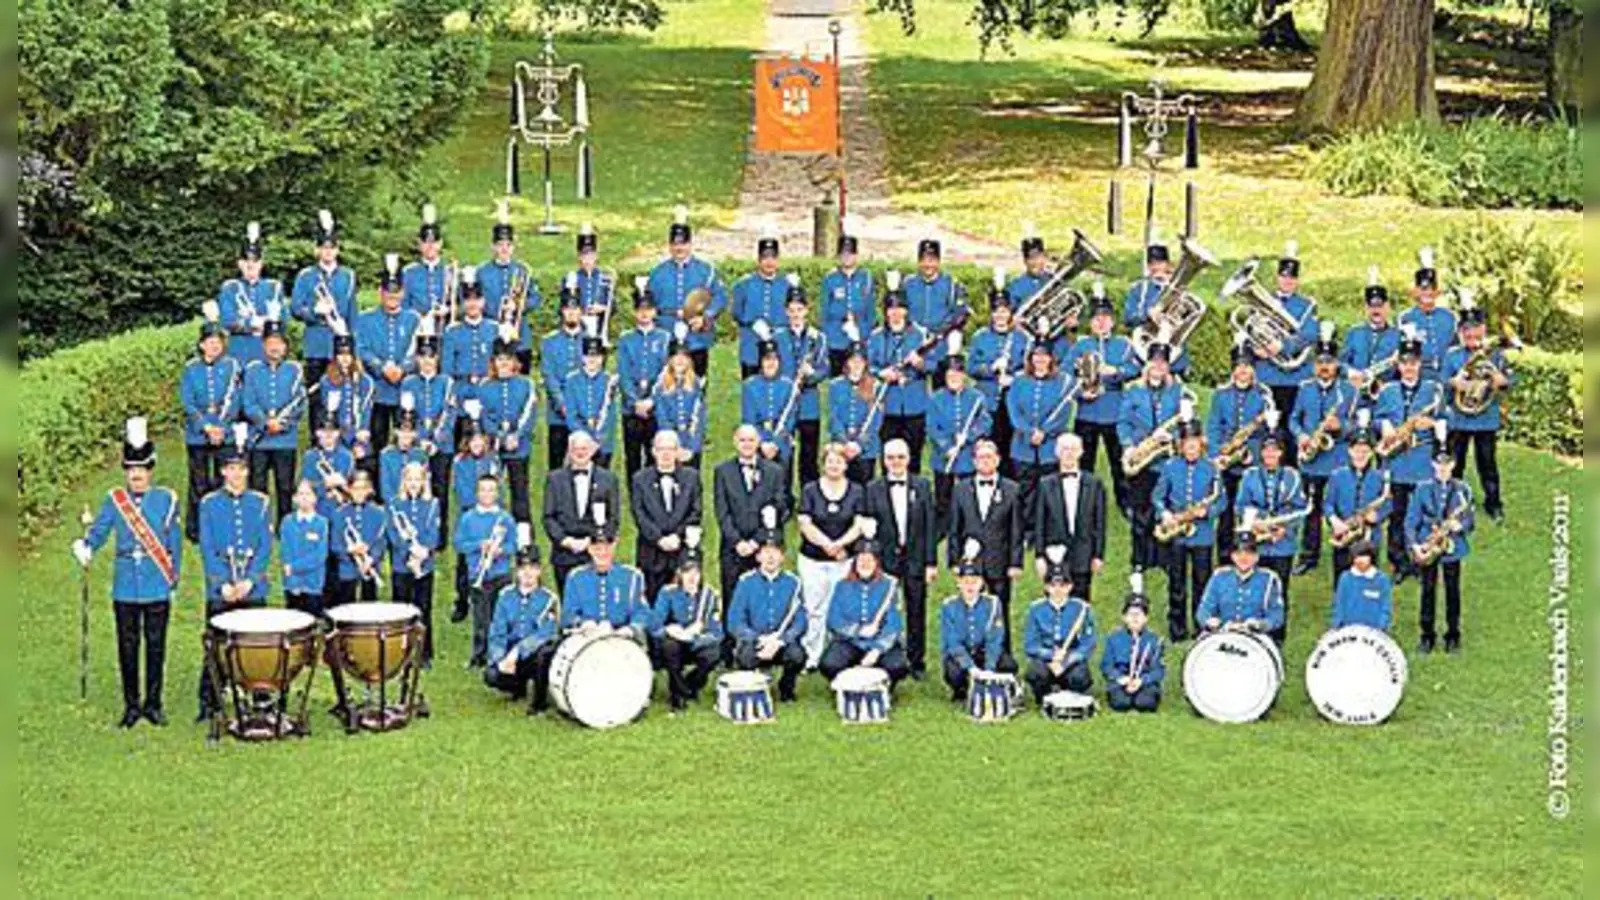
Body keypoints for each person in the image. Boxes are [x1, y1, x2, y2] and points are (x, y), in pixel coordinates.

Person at [73, 418, 183, 728]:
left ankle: (154, 703)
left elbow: (174, 544)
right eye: (132, 470)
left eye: (142, 469)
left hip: (157, 582)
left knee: (156, 645)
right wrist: (86, 546)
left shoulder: (167, 499)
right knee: (127, 646)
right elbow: (100, 531)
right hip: (125, 586)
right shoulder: (114, 500)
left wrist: (173, 578)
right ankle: (131, 705)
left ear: (151, 471)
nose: (136, 475)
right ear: (126, 471)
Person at [197, 426, 273, 720]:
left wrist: (250, 580)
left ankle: (260, 696)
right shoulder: (209, 504)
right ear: (223, 472)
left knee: (257, 645)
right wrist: (224, 584)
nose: (237, 474)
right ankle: (211, 699)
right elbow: (207, 547)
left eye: (241, 468)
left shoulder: (261, 503)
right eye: (231, 468)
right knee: (216, 645)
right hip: (222, 587)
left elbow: (265, 547)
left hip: (252, 587)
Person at [1374, 327, 1445, 583]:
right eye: (1404, 363)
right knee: (1396, 513)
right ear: (1399, 365)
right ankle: (1399, 561)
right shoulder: (1387, 390)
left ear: (1419, 364)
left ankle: (1420, 557)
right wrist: (1386, 427)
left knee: (1421, 514)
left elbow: (1446, 420)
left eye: (1413, 363)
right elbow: (1376, 418)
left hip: (1422, 462)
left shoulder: (1432, 390)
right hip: (1396, 461)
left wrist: (1434, 425)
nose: (1409, 368)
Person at [864, 439, 938, 676]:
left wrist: (931, 562)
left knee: (916, 609)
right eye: (890, 458)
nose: (896, 462)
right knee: (885, 608)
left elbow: (930, 527)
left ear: (908, 459)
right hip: (885, 559)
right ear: (883, 461)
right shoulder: (873, 488)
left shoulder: (923, 485)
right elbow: (869, 529)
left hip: (915, 558)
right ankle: (887, 655)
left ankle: (917, 661)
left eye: (900, 457)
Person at [1233, 414, 1308, 644]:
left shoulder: (1292, 476)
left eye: (1275, 450)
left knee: (1279, 589)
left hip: (1283, 543)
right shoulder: (1250, 475)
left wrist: (1284, 528)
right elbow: (1241, 504)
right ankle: (1252, 631)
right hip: (1257, 541)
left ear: (1282, 452)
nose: (1270, 455)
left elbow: (1300, 507)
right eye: (1266, 450)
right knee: (1255, 587)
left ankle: (1277, 635)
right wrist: (1259, 522)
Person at [1117, 341, 1187, 581]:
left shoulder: (1178, 391)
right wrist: (1128, 446)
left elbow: (1186, 423)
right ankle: (1139, 559)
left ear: (1168, 366)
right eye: (1154, 361)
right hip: (1143, 458)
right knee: (1141, 511)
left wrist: (1173, 437)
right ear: (1147, 364)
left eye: (1163, 362)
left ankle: (1162, 558)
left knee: (1165, 508)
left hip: (1166, 460)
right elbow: (1123, 422)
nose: (1158, 366)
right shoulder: (1133, 389)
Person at [1290, 323, 1357, 575]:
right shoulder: (1305, 388)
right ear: (1314, 364)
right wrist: (1302, 436)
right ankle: (1309, 555)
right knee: (1311, 510)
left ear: (1337, 363)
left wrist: (1341, 425)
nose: (1325, 366)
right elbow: (1294, 419)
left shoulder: (1349, 391)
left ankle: (1348, 549)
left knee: (1343, 508)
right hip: (1312, 459)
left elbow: (1361, 425)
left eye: (1329, 361)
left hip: (1338, 459)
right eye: (1320, 361)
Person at [1065, 286, 1138, 512]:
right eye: (1096, 319)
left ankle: (1124, 502)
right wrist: (1079, 393)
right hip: (1087, 412)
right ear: (1090, 323)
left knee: (1119, 462)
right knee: (1084, 461)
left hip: (1114, 413)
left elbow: (1135, 368)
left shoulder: (1124, 345)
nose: (1101, 323)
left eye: (1105, 318)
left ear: (1113, 322)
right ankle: (1083, 502)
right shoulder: (1081, 345)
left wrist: (1115, 371)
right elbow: (1065, 375)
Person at [1405, 423, 1476, 655]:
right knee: (1427, 590)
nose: (1443, 469)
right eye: (1439, 465)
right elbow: (1410, 521)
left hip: (1453, 548)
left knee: (1453, 591)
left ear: (1453, 465)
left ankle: (1453, 634)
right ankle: (1427, 635)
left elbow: (1470, 522)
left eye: (1447, 465)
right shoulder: (1422, 489)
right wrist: (1416, 545)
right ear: (1433, 465)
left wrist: (1459, 525)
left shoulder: (1463, 489)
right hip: (1428, 544)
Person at [1152, 411, 1223, 642]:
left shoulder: (1212, 468)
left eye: (1194, 443)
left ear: (1201, 443)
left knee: (1203, 581)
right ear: (1180, 445)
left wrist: (1207, 511)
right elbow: (1158, 497)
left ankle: (1201, 626)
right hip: (1178, 534)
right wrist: (1165, 514)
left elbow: (1221, 500)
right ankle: (1177, 628)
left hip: (1202, 534)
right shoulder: (1170, 466)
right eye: (1186, 444)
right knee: (1177, 582)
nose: (1190, 448)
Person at [947, 440, 1024, 652]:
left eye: (990, 457)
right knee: (969, 609)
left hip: (999, 560)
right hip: (970, 562)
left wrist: (1015, 562)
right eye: (981, 457)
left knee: (1000, 609)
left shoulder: (1012, 489)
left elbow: (1016, 529)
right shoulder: (961, 489)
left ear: (998, 460)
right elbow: (954, 526)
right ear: (973, 461)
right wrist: (955, 559)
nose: (985, 461)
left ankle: (1003, 655)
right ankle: (973, 652)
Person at [1247, 241, 1320, 464]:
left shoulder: (1306, 305)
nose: (1287, 281)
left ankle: (1290, 477)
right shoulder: (1262, 302)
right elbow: (1250, 328)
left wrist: (1284, 347)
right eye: (1284, 276)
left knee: (1291, 431)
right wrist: (1256, 347)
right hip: (1267, 376)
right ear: (1277, 277)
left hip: (1294, 378)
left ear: (1296, 280)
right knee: (1266, 430)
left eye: (1292, 278)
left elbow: (1310, 335)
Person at [1442, 294, 1513, 523]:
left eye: (1476, 333)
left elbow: (1508, 381)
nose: (1473, 338)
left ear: (1483, 330)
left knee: (1487, 464)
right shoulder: (1452, 355)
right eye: (1468, 334)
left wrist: (1501, 380)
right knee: (1456, 464)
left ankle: (1493, 503)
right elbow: (1443, 381)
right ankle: (1452, 503)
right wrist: (1456, 383)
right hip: (1459, 419)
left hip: (1486, 418)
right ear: (1461, 333)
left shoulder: (1495, 355)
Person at [796, 444, 867, 668]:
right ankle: (812, 654)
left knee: (840, 608)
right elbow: (804, 523)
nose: (834, 465)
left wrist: (841, 544)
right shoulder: (810, 490)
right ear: (823, 464)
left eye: (839, 461)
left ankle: (837, 654)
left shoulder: (856, 491)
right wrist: (827, 544)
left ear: (846, 465)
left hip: (843, 559)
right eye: (830, 461)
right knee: (814, 607)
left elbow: (859, 524)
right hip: (812, 560)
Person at [289, 209, 358, 429]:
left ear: (337, 250)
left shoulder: (348, 276)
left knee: (343, 395)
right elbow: (294, 308)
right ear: (317, 250)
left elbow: (352, 311)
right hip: (316, 346)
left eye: (331, 247)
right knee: (317, 397)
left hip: (341, 345)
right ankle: (317, 440)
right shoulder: (306, 276)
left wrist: (351, 339)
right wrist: (315, 312)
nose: (327, 252)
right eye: (323, 247)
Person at [1205, 338, 1272, 554]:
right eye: (1239, 367)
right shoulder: (1221, 394)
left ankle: (1251, 550)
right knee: (1225, 510)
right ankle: (1225, 554)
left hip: (1251, 462)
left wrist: (1252, 453)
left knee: (1252, 509)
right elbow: (1213, 427)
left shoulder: (1264, 395)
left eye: (1247, 366)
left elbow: (1268, 435)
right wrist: (1218, 455)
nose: (1243, 371)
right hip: (1226, 462)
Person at [180, 312, 242, 542]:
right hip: (198, 434)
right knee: (198, 482)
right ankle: (196, 529)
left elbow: (235, 400)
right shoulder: (191, 368)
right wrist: (206, 427)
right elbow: (188, 402)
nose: (215, 346)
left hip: (224, 433)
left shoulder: (231, 367)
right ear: (202, 344)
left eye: (218, 342)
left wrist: (221, 428)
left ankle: (221, 529)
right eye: (210, 342)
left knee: (222, 481)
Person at [867, 274, 938, 474]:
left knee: (913, 456)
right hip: (887, 404)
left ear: (906, 310)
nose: (895, 313)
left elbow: (934, 366)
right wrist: (882, 373)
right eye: (891, 308)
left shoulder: (921, 335)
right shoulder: (876, 337)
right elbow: (867, 367)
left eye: (899, 308)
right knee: (888, 455)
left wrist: (920, 363)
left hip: (915, 404)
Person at [646, 205, 727, 377]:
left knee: (697, 384)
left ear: (690, 244)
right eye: (675, 244)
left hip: (696, 339)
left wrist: (706, 317)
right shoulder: (657, 273)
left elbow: (720, 297)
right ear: (669, 245)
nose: (679, 248)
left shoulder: (706, 271)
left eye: (683, 243)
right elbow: (648, 304)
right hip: (666, 336)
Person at [1006, 341, 1076, 541]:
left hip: (1050, 446)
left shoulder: (1062, 382)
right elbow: (1013, 411)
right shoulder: (1019, 381)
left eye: (1044, 356)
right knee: (1025, 489)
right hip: (1022, 446)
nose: (1040, 360)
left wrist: (1045, 432)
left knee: (1049, 490)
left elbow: (1064, 414)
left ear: (1051, 359)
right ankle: (1027, 531)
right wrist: (1029, 432)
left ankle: (1048, 530)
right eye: (1036, 355)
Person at [713, 426, 790, 606]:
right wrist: (738, 542)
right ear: (735, 442)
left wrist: (756, 541)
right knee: (732, 595)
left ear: (758, 442)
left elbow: (779, 508)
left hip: (764, 546)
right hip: (733, 547)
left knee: (763, 598)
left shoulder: (775, 471)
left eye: (751, 440)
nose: (747, 444)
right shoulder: (722, 471)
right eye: (742, 440)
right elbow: (722, 511)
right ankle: (731, 634)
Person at [820, 538, 912, 688]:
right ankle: (846, 686)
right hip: (849, 642)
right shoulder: (842, 586)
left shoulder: (889, 586)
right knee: (829, 664)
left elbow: (894, 624)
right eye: (861, 560)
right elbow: (834, 620)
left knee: (897, 666)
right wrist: (859, 631)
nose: (865, 564)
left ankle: (885, 687)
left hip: (880, 641)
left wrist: (878, 649)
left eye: (870, 560)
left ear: (877, 563)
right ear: (854, 563)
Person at [485, 527, 558, 714]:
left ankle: (539, 702)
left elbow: (545, 634)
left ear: (539, 571)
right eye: (523, 568)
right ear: (516, 570)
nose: (527, 573)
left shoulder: (549, 599)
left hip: (533, 655)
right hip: (510, 654)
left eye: (532, 568)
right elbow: (497, 631)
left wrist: (518, 653)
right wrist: (500, 658)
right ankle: (516, 686)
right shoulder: (505, 596)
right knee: (492, 675)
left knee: (545, 654)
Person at [727, 530, 806, 702]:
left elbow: (800, 621)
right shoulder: (745, 582)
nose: (771, 558)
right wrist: (758, 639)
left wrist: (781, 640)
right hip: (756, 641)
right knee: (745, 657)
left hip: (781, 641)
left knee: (797, 656)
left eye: (775, 553)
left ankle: (787, 688)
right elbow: (734, 621)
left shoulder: (794, 583)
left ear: (782, 557)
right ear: (758, 557)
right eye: (766, 553)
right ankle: (754, 688)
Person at [543, 430, 623, 597]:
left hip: (596, 552)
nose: (580, 453)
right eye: (575, 449)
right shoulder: (554, 479)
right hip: (564, 554)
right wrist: (565, 540)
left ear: (593, 450)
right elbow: (548, 517)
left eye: (584, 449)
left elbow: (613, 518)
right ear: (569, 451)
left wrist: (591, 541)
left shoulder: (608, 479)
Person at [242, 316, 305, 524]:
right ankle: (260, 524)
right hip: (259, 439)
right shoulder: (252, 370)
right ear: (263, 345)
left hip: (285, 439)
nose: (274, 348)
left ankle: (284, 525)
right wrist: (264, 422)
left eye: (279, 343)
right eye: (270, 343)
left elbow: (299, 403)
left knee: (285, 485)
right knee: (257, 484)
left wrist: (282, 424)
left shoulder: (294, 370)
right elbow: (248, 402)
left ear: (286, 346)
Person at [358, 254, 422, 455]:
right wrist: (380, 367)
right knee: (377, 441)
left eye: (396, 293)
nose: (391, 297)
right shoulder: (366, 319)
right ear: (380, 292)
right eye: (387, 293)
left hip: (405, 389)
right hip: (378, 389)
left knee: (407, 441)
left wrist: (403, 368)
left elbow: (421, 350)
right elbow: (361, 348)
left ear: (403, 293)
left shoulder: (414, 319)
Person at [630, 430, 703, 604]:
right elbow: (639, 514)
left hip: (682, 551)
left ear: (678, 451)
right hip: (651, 552)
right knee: (653, 603)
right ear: (653, 451)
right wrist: (659, 539)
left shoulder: (691, 477)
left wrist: (678, 536)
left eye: (670, 449)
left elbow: (696, 511)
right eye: (661, 449)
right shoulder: (640, 479)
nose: (666, 454)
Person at [1032, 434, 1107, 601]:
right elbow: (1039, 523)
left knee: (1082, 602)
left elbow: (1100, 523)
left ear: (1081, 452)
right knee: (1053, 603)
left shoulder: (1094, 484)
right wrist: (1039, 555)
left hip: (1083, 553)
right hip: (1054, 555)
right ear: (1057, 452)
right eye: (1064, 449)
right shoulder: (1045, 484)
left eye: (1073, 449)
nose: (1069, 453)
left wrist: (1098, 555)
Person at [927, 338, 992, 532]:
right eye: (950, 375)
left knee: (968, 494)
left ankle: (968, 527)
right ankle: (942, 528)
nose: (954, 378)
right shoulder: (936, 398)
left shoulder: (977, 397)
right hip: (943, 456)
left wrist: (970, 435)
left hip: (967, 456)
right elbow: (932, 427)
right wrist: (946, 447)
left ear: (964, 375)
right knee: (943, 496)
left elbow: (986, 422)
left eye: (957, 374)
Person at [454, 473, 517, 668]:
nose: (487, 494)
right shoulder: (468, 518)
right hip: (478, 574)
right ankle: (478, 656)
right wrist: (479, 545)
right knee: (481, 619)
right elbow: (459, 544)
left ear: (497, 493)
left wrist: (501, 550)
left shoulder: (505, 518)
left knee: (501, 617)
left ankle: (500, 654)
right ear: (477, 493)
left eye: (491, 490)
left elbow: (514, 544)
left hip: (501, 574)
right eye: (483, 490)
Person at [650, 544, 723, 712]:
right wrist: (670, 631)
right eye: (687, 572)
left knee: (713, 654)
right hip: (674, 643)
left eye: (696, 573)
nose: (691, 578)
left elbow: (716, 633)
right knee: (670, 647)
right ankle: (678, 694)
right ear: (679, 574)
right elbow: (654, 625)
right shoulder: (668, 593)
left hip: (698, 643)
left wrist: (693, 637)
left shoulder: (710, 596)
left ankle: (690, 685)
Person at [967, 281, 1029, 477]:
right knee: (989, 443)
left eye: (1005, 311)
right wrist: (991, 368)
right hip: (989, 400)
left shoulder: (1023, 338)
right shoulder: (980, 337)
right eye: (996, 311)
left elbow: (1030, 369)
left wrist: (1014, 378)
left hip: (1012, 400)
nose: (1000, 315)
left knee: (1011, 446)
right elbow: (970, 367)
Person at [1324, 412, 1391, 590]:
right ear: (1349, 450)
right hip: (1343, 534)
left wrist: (1378, 515)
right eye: (1356, 450)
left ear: (1371, 452)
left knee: (1369, 584)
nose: (1360, 454)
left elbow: (1388, 504)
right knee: (1342, 582)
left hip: (1370, 538)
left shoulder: (1379, 477)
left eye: (1365, 451)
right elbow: (1328, 504)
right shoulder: (1337, 475)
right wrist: (1335, 522)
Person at [938, 553, 1015, 703]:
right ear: (958, 583)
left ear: (982, 583)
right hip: (962, 654)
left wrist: (989, 669)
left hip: (983, 653)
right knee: (953, 672)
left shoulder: (992, 604)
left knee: (1009, 665)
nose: (970, 586)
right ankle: (962, 691)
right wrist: (970, 668)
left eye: (974, 581)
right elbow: (953, 643)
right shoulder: (949, 606)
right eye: (965, 581)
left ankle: (997, 688)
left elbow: (995, 638)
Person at [449, 407, 503, 622]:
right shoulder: (460, 462)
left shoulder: (493, 460)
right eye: (473, 441)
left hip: (491, 514)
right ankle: (462, 601)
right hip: (470, 516)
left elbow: (498, 488)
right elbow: (462, 491)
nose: (477, 445)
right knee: (464, 562)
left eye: (481, 441)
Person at [403, 320, 457, 534]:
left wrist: (436, 441)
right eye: (423, 356)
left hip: (441, 446)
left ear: (437, 358)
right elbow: (407, 416)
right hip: (417, 445)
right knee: (416, 488)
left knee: (440, 489)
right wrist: (418, 440)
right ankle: (417, 528)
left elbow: (449, 413)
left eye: (431, 356)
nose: (427, 361)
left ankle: (440, 533)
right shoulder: (409, 383)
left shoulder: (447, 382)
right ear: (417, 358)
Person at [776, 279, 829, 489]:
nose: (796, 314)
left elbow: (824, 369)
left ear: (807, 310)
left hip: (809, 405)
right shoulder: (777, 337)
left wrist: (811, 375)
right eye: (792, 309)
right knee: (785, 453)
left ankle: (809, 496)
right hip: (785, 403)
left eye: (800, 309)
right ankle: (784, 497)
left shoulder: (819, 338)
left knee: (809, 453)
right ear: (786, 311)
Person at [387, 461, 441, 665]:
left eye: (417, 479)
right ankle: (401, 653)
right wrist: (409, 550)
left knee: (423, 608)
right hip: (401, 564)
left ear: (424, 481)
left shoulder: (432, 504)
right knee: (401, 608)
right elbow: (393, 534)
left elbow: (434, 532)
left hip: (425, 565)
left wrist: (424, 551)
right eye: (410, 479)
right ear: (404, 481)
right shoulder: (394, 504)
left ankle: (423, 653)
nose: (413, 483)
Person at [481, 328, 537, 523]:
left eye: (507, 359)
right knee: (493, 490)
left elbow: (529, 414)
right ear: (493, 363)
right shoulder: (485, 386)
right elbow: (485, 416)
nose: (503, 364)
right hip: (495, 447)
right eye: (499, 359)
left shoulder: (526, 384)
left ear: (515, 362)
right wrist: (499, 436)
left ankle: (524, 541)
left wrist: (516, 436)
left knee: (520, 493)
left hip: (519, 447)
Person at [617, 279, 671, 484]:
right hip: (631, 408)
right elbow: (623, 373)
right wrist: (634, 402)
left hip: (656, 407)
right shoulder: (626, 339)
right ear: (634, 312)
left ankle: (652, 491)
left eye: (648, 309)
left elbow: (667, 372)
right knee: (632, 455)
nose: (644, 314)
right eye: (640, 309)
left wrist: (652, 400)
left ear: (655, 311)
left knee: (653, 452)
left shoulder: (665, 338)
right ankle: (634, 495)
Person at [559, 525, 651, 643]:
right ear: (589, 548)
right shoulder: (576, 577)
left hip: (621, 635)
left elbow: (642, 612)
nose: (602, 552)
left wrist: (631, 628)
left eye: (607, 547)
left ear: (614, 545)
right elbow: (567, 615)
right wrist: (583, 623)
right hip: (586, 636)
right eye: (596, 548)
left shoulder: (632, 576)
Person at [479, 200, 541, 372]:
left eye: (508, 245)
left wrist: (520, 305)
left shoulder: (522, 270)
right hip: (492, 335)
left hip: (520, 337)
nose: (504, 249)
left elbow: (536, 298)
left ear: (513, 247)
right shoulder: (482, 272)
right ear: (493, 247)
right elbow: (477, 302)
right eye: (500, 245)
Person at [1022, 561, 1096, 702]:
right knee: (1035, 673)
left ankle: (1070, 693)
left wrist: (1066, 661)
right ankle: (1044, 696)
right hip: (1046, 661)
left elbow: (1088, 644)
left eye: (1063, 585)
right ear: (1046, 587)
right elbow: (1031, 645)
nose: (1058, 589)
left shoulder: (1081, 608)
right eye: (1053, 585)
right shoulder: (1035, 609)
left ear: (1070, 587)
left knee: (1080, 677)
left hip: (1070, 659)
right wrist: (1051, 656)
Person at [442, 267, 498, 438]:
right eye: (467, 299)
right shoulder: (452, 331)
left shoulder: (494, 329)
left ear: (483, 302)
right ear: (462, 303)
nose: (472, 304)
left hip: (487, 390)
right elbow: (447, 367)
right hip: (461, 390)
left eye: (477, 299)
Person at [1196, 532, 1285, 639]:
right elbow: (1204, 609)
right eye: (1238, 553)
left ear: (1257, 557)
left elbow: (1277, 615)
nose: (1243, 558)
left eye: (1249, 553)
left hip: (1255, 636)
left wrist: (1261, 624)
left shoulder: (1269, 579)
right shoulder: (1219, 576)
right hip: (1221, 633)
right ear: (1232, 556)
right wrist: (1209, 621)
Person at [741, 338, 799, 499]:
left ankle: (784, 502)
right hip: (759, 440)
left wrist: (775, 443)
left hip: (781, 440)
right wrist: (764, 442)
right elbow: (749, 418)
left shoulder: (788, 386)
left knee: (784, 471)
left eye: (774, 359)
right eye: (767, 359)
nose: (771, 364)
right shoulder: (750, 385)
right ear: (760, 362)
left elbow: (790, 419)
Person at [1122, 238, 1189, 376]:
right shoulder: (1138, 289)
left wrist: (1176, 320)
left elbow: (1187, 320)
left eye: (1159, 263)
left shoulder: (1179, 290)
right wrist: (1147, 315)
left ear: (1168, 264)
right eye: (1151, 263)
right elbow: (1128, 318)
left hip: (1172, 352)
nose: (1155, 267)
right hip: (1143, 350)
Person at [217, 221, 280, 366]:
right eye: (246, 261)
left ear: (261, 263)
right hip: (239, 354)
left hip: (265, 353)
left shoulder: (273, 287)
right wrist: (250, 323)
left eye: (255, 261)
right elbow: (226, 321)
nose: (250, 265)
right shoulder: (230, 288)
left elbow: (283, 320)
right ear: (240, 263)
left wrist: (273, 321)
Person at [319, 328, 378, 479]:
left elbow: (366, 409)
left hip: (360, 436)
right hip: (336, 436)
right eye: (340, 354)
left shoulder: (366, 381)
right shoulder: (327, 381)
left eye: (348, 354)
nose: (345, 358)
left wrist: (360, 436)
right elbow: (328, 410)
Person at [732, 229, 791, 380]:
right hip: (751, 345)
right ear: (758, 259)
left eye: (773, 257)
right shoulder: (744, 285)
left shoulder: (787, 285)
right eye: (765, 257)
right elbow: (736, 313)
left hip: (779, 346)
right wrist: (751, 322)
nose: (769, 262)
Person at [540, 285, 588, 470]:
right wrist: (562, 403)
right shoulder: (549, 342)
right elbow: (549, 374)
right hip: (557, 414)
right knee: (557, 463)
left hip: (584, 411)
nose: (572, 313)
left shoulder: (589, 340)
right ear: (562, 311)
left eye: (575, 309)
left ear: (581, 311)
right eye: (568, 309)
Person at [1341, 266, 1403, 408]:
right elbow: (1340, 363)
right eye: (1372, 306)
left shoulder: (1398, 336)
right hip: (1356, 398)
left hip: (1386, 399)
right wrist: (1351, 372)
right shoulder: (1354, 333)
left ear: (1387, 307)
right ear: (1366, 308)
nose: (1376, 310)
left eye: (1380, 306)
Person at [819, 223, 875, 376]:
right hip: (836, 339)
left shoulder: (866, 278)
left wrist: (865, 335)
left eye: (850, 254)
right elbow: (824, 311)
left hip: (859, 336)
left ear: (856, 256)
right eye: (843, 254)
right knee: (838, 381)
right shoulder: (830, 279)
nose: (847, 257)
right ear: (838, 256)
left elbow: (870, 310)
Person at [1005, 224, 1075, 344]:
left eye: (1038, 257)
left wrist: (1071, 322)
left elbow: (1069, 307)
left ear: (1045, 257)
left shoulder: (1055, 281)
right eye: (1030, 259)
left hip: (1057, 341)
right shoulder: (1015, 286)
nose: (1035, 263)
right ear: (1024, 261)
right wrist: (1014, 323)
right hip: (1027, 342)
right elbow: (1006, 321)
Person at [1398, 247, 1458, 382]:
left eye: (1432, 289)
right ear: (1415, 291)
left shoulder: (1449, 317)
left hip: (1448, 376)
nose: (1428, 293)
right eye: (1424, 289)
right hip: (1420, 378)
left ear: (1437, 292)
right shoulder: (1406, 318)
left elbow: (1456, 349)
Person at [826, 343, 882, 484]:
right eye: (853, 360)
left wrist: (859, 444)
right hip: (842, 446)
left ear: (866, 363)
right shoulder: (835, 385)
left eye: (860, 361)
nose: (856, 365)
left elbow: (875, 420)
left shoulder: (875, 386)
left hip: (866, 449)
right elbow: (834, 416)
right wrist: (844, 442)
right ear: (847, 363)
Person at [331, 469, 387, 607]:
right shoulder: (339, 513)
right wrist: (350, 551)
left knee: (369, 604)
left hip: (370, 565)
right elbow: (335, 544)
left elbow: (380, 542)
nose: (359, 492)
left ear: (370, 490)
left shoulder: (378, 513)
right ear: (348, 489)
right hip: (347, 567)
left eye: (363, 488)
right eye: (355, 488)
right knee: (346, 605)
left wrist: (371, 558)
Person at [562, 334, 620, 469]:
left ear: (602, 358)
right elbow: (571, 414)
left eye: (597, 356)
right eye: (588, 356)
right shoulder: (572, 380)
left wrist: (598, 440)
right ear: (582, 357)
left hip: (602, 442)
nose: (592, 360)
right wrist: (585, 438)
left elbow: (610, 417)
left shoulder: (609, 381)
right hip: (579, 441)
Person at [1100, 593, 1164, 713]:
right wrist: (1120, 678)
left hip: (1143, 681)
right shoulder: (1113, 638)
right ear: (1124, 617)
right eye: (1131, 614)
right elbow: (1106, 665)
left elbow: (1158, 670)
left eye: (1139, 614)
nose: (1135, 618)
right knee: (1120, 703)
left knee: (1145, 703)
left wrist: (1143, 680)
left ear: (1146, 618)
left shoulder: (1155, 640)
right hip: (1122, 679)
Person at [652, 336, 708, 468]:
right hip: (668, 444)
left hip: (690, 440)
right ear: (669, 360)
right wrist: (673, 447)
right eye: (676, 357)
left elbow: (699, 418)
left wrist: (692, 447)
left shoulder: (696, 385)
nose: (680, 360)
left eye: (684, 357)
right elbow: (662, 418)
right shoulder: (661, 387)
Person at [279, 480, 330, 618]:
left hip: (313, 584)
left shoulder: (322, 523)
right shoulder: (287, 522)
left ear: (315, 498)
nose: (304, 497)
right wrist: (293, 582)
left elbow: (319, 555)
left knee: (312, 624)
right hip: (292, 584)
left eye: (308, 494)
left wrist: (294, 568)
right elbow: (285, 552)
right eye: (300, 494)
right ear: (294, 498)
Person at [561, 221, 617, 337]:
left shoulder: (605, 278)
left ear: (596, 256)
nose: (587, 260)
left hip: (599, 325)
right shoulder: (571, 278)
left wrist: (603, 308)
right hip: (578, 327)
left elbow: (613, 306)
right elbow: (562, 307)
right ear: (578, 257)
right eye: (583, 256)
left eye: (590, 256)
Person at [903, 238, 967, 337]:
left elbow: (959, 313)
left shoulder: (951, 284)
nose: (928, 265)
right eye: (924, 260)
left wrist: (943, 330)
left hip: (942, 335)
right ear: (919, 262)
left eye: (932, 260)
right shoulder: (908, 283)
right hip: (912, 334)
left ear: (938, 261)